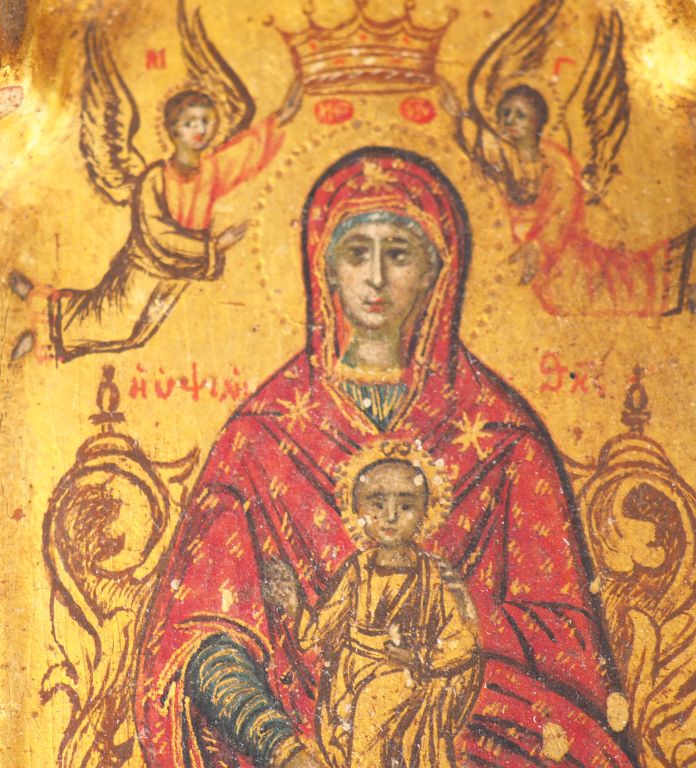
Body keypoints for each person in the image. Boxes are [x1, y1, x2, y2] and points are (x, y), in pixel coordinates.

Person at [135, 147, 636, 768]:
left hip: (470, 720)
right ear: (325, 268)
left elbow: (567, 637)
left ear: (436, 270)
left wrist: (447, 618)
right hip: (299, 737)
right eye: (356, 252)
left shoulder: (505, 438)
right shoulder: (261, 437)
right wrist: (280, 745)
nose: (375, 278)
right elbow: (201, 632)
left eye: (398, 253)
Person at [15, 77, 303, 362]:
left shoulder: (210, 172)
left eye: (206, 121)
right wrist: (213, 247)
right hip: (145, 266)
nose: (200, 129)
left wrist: (281, 117)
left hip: (176, 274)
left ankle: (45, 319)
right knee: (112, 321)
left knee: (134, 335)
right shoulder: (156, 178)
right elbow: (157, 233)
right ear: (173, 128)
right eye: (190, 123)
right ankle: (40, 317)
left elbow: (245, 154)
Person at [264, 455, 482, 768]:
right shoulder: (357, 570)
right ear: (359, 510)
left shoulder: (432, 575)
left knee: (373, 702)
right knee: (361, 710)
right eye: (377, 505)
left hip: (406, 677)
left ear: (424, 512)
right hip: (349, 679)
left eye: (405, 506)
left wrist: (420, 656)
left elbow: (463, 641)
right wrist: (294, 603)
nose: (390, 517)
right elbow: (316, 631)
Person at [440, 83, 695, 317]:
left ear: (538, 121)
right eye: (505, 113)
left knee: (604, 287)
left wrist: (538, 246)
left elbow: (561, 213)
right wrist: (457, 116)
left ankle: (681, 286)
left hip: (560, 250)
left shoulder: (555, 162)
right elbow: (476, 148)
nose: (510, 120)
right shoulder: (503, 154)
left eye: (520, 115)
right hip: (519, 246)